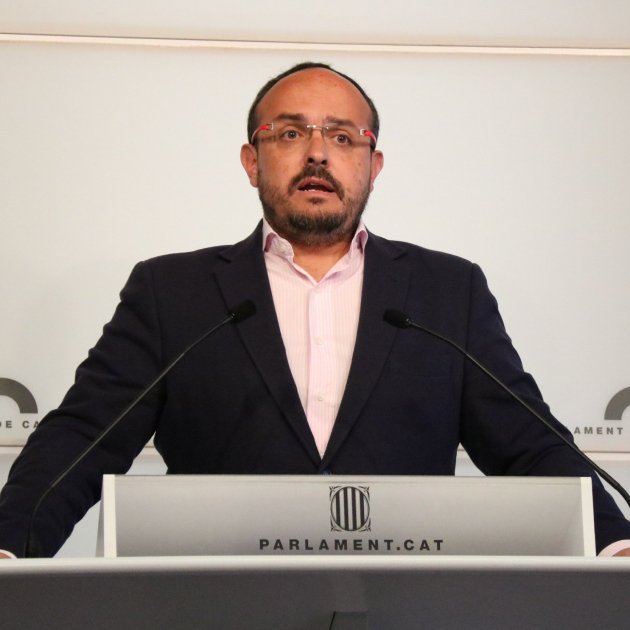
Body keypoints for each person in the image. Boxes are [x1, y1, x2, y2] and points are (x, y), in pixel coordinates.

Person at [1, 62, 629, 558]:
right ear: (252, 161)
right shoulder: (173, 293)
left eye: (342, 136)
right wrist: (8, 545)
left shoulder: (446, 291)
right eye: (290, 133)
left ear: (372, 166)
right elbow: (83, 439)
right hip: (218, 605)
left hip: (405, 603)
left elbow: (529, 444)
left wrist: (615, 544)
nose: (318, 154)